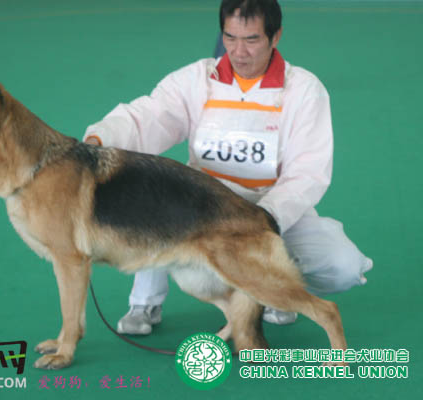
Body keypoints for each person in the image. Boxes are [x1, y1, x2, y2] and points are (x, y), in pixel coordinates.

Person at [83, 0, 372, 335]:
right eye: (230, 38)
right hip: (201, 203)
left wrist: (265, 218)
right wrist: (99, 139)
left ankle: (270, 290)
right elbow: (146, 116)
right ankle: (144, 302)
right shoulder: (196, 79)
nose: (239, 51)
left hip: (270, 206)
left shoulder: (305, 90)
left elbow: (307, 172)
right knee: (154, 195)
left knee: (342, 266)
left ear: (275, 36)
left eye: (251, 40)